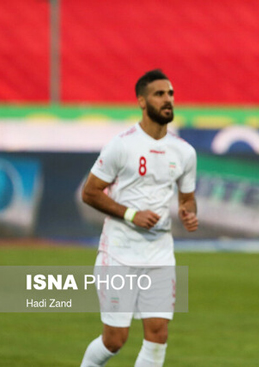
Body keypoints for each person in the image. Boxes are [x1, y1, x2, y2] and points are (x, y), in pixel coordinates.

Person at [80, 69, 198, 367]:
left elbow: (187, 198)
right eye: (159, 94)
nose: (168, 100)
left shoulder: (184, 151)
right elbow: (90, 192)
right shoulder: (122, 144)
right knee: (115, 340)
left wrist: (188, 213)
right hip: (120, 252)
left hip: (159, 254)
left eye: (170, 94)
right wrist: (132, 214)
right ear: (142, 102)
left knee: (158, 335)